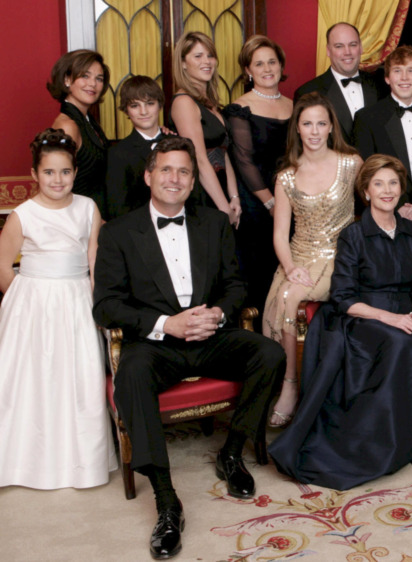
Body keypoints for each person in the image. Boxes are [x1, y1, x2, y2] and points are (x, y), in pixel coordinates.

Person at [93, 136, 285, 559]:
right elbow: (106, 305)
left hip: (209, 336)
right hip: (156, 344)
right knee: (131, 374)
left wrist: (216, 314)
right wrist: (168, 324)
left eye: (183, 171)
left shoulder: (213, 223)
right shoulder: (120, 232)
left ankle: (232, 453)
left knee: (270, 354)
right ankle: (166, 501)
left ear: (193, 179)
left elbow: (236, 286)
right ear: (148, 176)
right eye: (166, 169)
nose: (174, 178)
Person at [269, 155, 412, 489]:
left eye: (393, 183)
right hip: (364, 317)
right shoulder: (353, 235)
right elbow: (343, 298)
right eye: (379, 184)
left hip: (407, 312)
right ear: (366, 192)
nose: (387, 190)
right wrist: (392, 319)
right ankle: (383, 444)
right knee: (400, 342)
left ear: (401, 189)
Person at [0, 129, 114, 490]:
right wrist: (25, 300)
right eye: (49, 172)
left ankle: (79, 462)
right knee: (34, 379)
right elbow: (3, 266)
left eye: (64, 172)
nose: (57, 180)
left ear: (75, 173)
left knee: (78, 377)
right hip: (32, 303)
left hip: (77, 297)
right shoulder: (23, 214)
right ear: (35, 174)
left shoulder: (87, 208)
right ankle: (24, 462)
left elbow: (95, 259)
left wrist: (97, 304)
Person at [262, 93, 361, 429]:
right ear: (298, 129)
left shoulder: (352, 164)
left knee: (291, 297)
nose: (315, 130)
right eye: (307, 124)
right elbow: (279, 234)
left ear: (331, 126)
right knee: (283, 295)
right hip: (298, 256)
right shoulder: (286, 176)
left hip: (340, 258)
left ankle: (291, 389)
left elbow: (377, 203)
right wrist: (290, 268)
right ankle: (286, 384)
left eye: (321, 123)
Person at [223, 35, 292, 323]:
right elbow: (244, 161)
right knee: (261, 271)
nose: (267, 69)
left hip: (291, 196)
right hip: (257, 202)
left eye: (272, 62)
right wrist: (271, 203)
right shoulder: (240, 108)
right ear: (248, 71)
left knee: (288, 269)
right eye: (259, 64)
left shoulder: (294, 104)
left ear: (280, 65)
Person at [352, 45, 412, 223]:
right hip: (386, 212)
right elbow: (366, 172)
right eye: (397, 71)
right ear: (387, 78)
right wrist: (397, 204)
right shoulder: (367, 118)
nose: (404, 78)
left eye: (411, 71)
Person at [170, 31, 241, 225]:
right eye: (198, 56)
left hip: (222, 191)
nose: (207, 61)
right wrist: (224, 209)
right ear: (183, 63)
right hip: (203, 196)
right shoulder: (184, 102)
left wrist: (234, 197)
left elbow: (223, 152)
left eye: (210, 55)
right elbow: (200, 160)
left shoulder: (210, 102)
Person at [47, 49, 110, 216]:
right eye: (85, 76)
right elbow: (57, 183)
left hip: (95, 217)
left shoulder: (88, 121)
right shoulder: (68, 126)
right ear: (67, 79)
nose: (92, 84)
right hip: (78, 220)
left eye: (99, 79)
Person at [294, 22, 379, 141]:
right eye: (339, 46)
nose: (347, 52)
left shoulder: (380, 85)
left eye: (353, 45)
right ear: (328, 51)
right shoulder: (307, 92)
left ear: (360, 48)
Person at [106, 76, 171, 219]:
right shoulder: (117, 154)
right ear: (126, 110)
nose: (144, 111)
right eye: (135, 106)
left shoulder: (179, 144)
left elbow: (195, 195)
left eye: (150, 103)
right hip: (139, 233)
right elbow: (117, 208)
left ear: (160, 105)